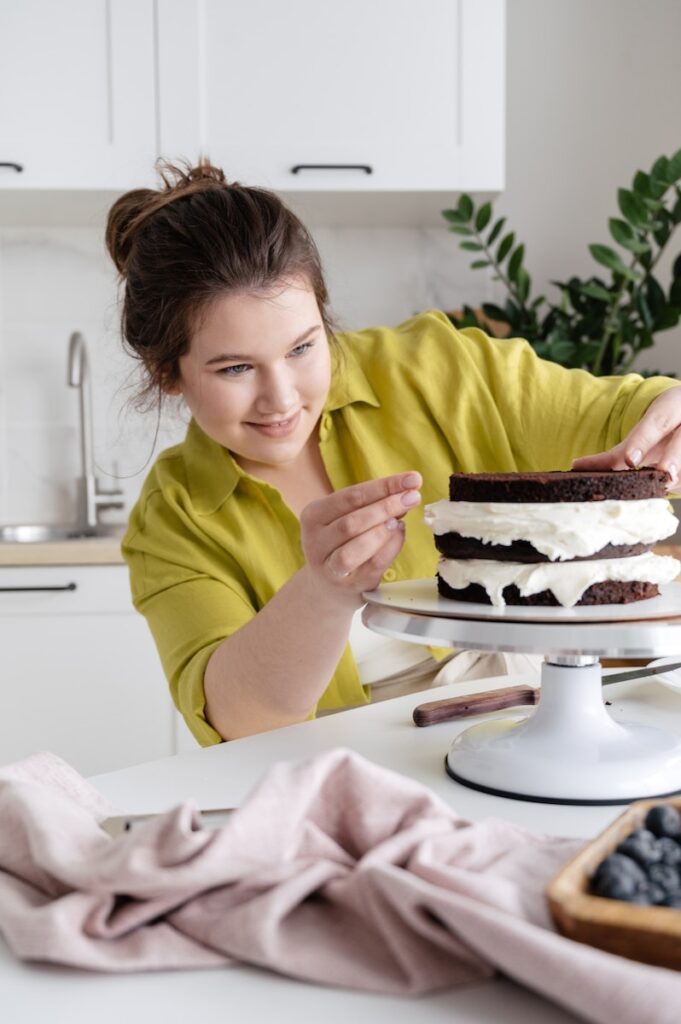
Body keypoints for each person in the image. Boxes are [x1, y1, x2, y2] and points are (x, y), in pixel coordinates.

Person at [105, 158, 681, 746]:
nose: (280, 398)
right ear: (168, 373)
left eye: (303, 348)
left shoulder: (434, 368)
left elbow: (621, 415)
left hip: (533, 726)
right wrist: (323, 591)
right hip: (347, 770)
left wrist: (670, 413)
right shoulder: (173, 517)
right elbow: (236, 716)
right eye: (235, 368)